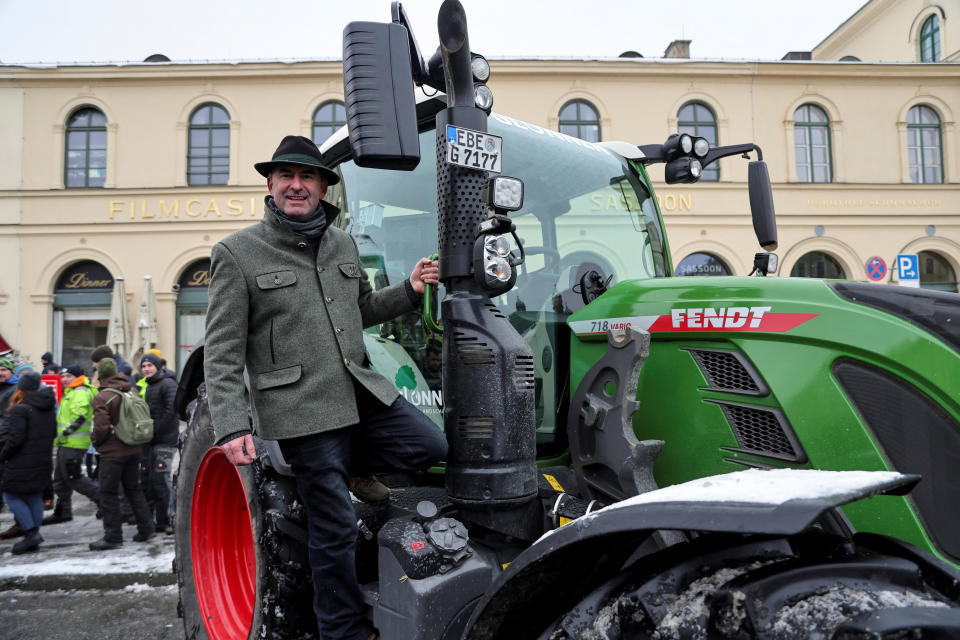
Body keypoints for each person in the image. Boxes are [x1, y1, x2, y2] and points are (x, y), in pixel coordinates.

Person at [204, 135, 448, 640]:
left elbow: (359, 312)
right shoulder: (236, 253)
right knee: (333, 528)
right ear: (270, 184)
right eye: (287, 176)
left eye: (308, 176)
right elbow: (222, 350)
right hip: (301, 409)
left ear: (322, 186)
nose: (297, 185)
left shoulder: (342, 242)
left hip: (358, 390)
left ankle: (356, 466)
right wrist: (231, 425)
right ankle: (344, 631)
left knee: (430, 445)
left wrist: (410, 289)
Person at [88, 357, 154, 550]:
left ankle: (113, 537)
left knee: (108, 493)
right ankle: (146, 528)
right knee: (134, 489)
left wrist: (95, 442)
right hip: (133, 448)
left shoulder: (103, 396)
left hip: (112, 453)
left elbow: (100, 428)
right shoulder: (131, 390)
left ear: (100, 375)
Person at [0, 372, 56, 553]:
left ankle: (31, 533)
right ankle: (33, 536)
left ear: (21, 388)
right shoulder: (47, 407)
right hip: (42, 459)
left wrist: (3, 454)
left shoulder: (21, 409)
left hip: (22, 460)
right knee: (34, 495)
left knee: (10, 495)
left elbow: (15, 439)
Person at [44, 363, 99, 524]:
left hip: (74, 444)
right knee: (60, 479)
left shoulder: (80, 391)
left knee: (74, 477)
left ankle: (103, 502)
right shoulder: (72, 391)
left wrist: (67, 431)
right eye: (63, 376)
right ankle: (63, 512)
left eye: (69, 376)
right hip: (65, 442)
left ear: (78, 377)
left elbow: (80, 415)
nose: (65, 379)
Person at [138, 352, 178, 534]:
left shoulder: (167, 384)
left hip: (165, 440)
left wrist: (156, 429)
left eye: (149, 366)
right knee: (152, 480)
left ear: (158, 367)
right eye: (144, 366)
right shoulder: (149, 386)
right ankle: (160, 520)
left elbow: (171, 411)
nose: (146, 369)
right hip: (151, 440)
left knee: (162, 480)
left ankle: (171, 519)